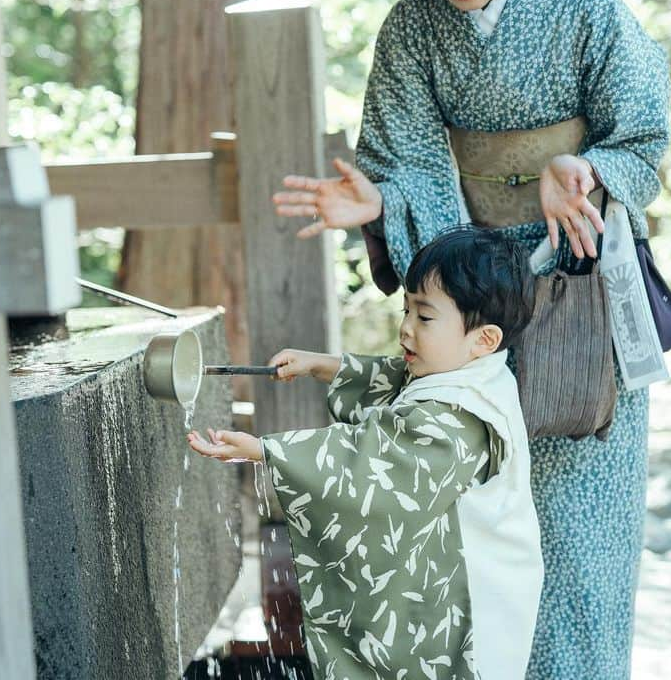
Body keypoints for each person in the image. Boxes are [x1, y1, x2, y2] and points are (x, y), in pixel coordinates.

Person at [271, 0, 671, 677]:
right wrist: (381, 207)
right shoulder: (412, 28)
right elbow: (405, 166)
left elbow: (639, 141)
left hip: (576, 295)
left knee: (581, 557)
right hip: (469, 314)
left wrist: (585, 169)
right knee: (470, 551)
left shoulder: (587, 11)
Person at [188, 227, 544, 680]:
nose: (406, 329)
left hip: (468, 614)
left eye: (425, 317)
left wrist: (265, 451)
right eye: (407, 309)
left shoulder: (460, 418)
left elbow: (370, 468)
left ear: (484, 338)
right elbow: (398, 380)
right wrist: (321, 364)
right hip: (455, 587)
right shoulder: (475, 374)